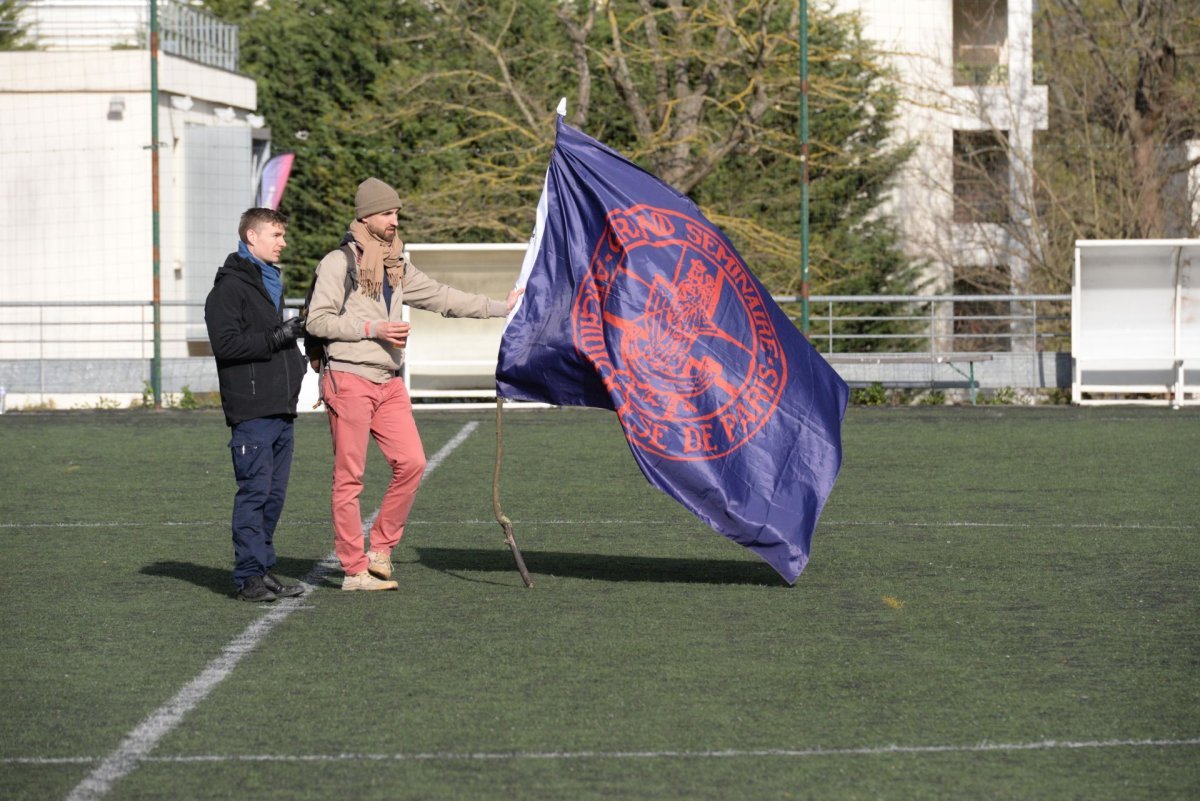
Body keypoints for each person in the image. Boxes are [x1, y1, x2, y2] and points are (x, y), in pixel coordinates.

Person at [304, 177, 522, 591]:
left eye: (397, 212)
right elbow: (317, 321)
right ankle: (353, 570)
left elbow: (441, 297)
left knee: (413, 463)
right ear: (366, 216)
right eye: (387, 213)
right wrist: (373, 327)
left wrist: (500, 307)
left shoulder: (397, 262)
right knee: (349, 478)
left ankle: (381, 549)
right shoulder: (338, 262)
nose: (394, 219)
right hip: (347, 377)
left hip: (388, 381)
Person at [204, 208, 308, 602]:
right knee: (254, 494)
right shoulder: (229, 289)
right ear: (252, 237)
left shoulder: (269, 281)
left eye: (283, 234)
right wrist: (279, 335)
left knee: (273, 497)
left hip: (281, 410)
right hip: (252, 412)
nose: (283, 242)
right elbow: (226, 344)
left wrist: (297, 351)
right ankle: (248, 578)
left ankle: (262, 571)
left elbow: (269, 339)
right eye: (276, 235)